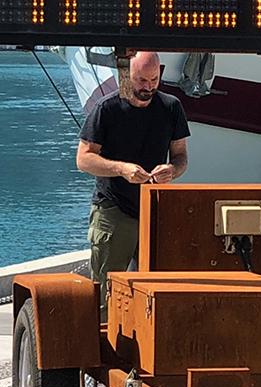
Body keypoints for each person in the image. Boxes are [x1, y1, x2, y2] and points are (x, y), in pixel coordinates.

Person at [75, 49, 190, 296]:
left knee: (156, 288)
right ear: (127, 75)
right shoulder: (106, 108)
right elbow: (83, 159)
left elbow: (181, 156)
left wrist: (172, 169)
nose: (148, 87)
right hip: (113, 209)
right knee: (107, 292)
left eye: (154, 81)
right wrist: (121, 169)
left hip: (153, 208)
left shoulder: (171, 107)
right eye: (141, 80)